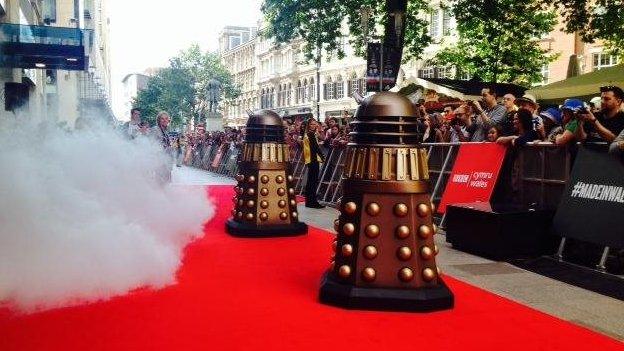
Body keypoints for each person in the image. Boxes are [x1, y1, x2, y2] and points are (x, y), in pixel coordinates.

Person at [300, 119, 325, 208]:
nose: (313, 126)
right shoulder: (310, 134)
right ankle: (313, 202)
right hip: (313, 159)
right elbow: (315, 147)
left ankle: (310, 202)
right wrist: (322, 156)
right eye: (311, 124)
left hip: (310, 160)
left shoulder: (307, 134)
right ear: (308, 125)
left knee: (311, 181)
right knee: (313, 182)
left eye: (315, 124)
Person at [150, 111, 174, 183]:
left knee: (166, 182)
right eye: (162, 119)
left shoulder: (165, 131)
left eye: (166, 119)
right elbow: (152, 144)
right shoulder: (155, 129)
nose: (164, 120)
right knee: (160, 182)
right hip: (159, 160)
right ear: (158, 120)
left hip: (166, 160)